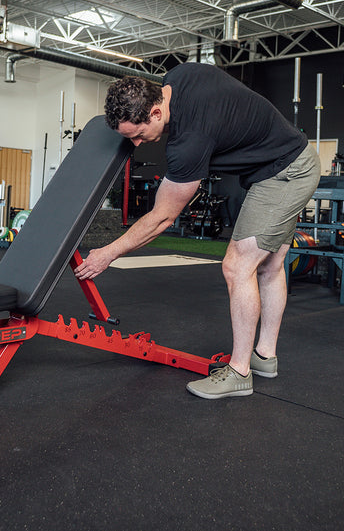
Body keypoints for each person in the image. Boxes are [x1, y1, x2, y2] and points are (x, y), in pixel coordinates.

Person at [74, 62, 320, 399]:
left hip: (285, 173)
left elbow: (163, 218)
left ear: (156, 111)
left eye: (138, 135)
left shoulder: (188, 141)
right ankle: (264, 357)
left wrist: (108, 252)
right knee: (271, 264)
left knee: (237, 266)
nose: (139, 144)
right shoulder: (179, 76)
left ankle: (239, 373)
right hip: (290, 159)